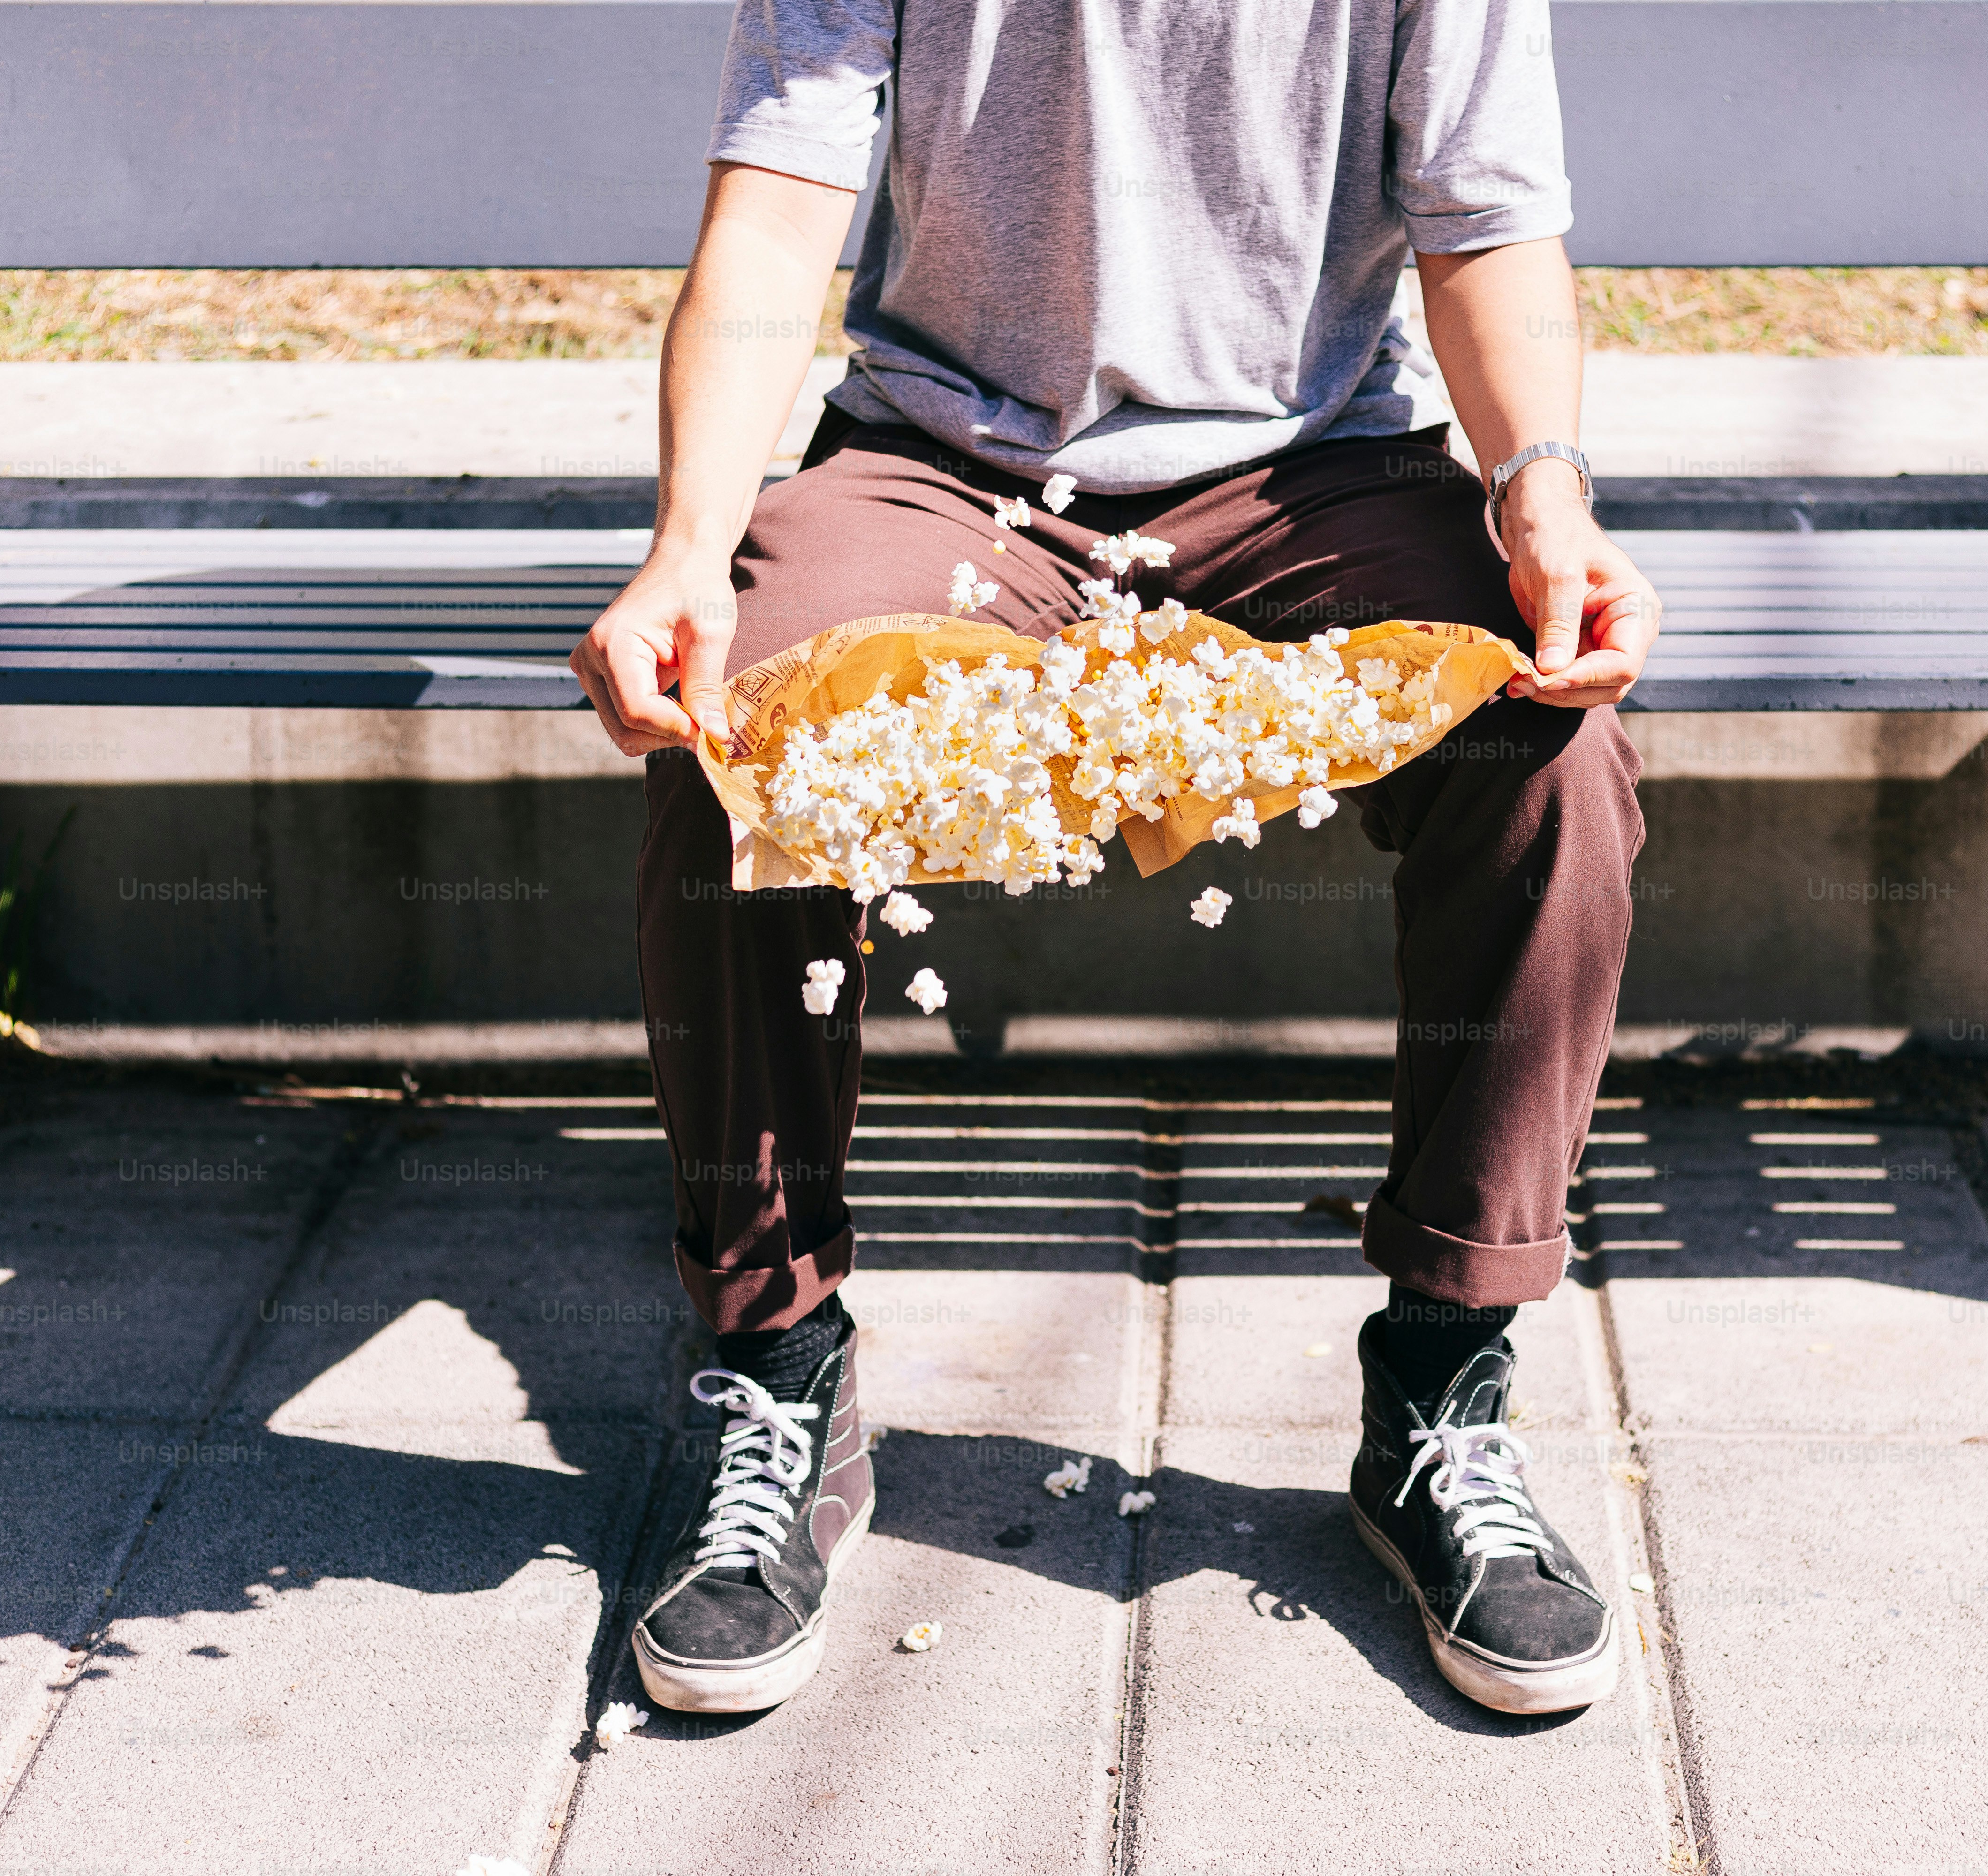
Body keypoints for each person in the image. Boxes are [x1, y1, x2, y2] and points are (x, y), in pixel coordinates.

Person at [568, 0, 1657, 1719]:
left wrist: (1546, 497)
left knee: (1553, 747)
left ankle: (1445, 1380)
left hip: (1318, 476)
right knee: (739, 734)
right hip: (945, 470)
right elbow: (779, 203)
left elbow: (1486, 218)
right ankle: (776, 1364)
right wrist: (690, 546)